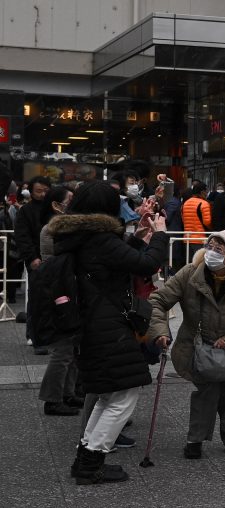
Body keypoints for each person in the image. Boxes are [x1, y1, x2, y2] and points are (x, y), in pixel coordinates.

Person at [52, 180, 168, 485]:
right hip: (107, 325)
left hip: (91, 323)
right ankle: (92, 462)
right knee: (123, 395)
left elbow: (113, 264)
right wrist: (160, 235)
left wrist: (139, 239)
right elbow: (148, 264)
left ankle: (85, 457)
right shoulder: (101, 238)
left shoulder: (79, 235)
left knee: (108, 393)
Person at [149, 229, 225, 459]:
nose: (211, 252)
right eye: (210, 246)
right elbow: (159, 301)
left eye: (219, 249)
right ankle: (195, 439)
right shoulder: (191, 273)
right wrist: (160, 331)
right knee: (206, 392)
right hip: (197, 344)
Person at [37, 186, 82, 416]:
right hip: (59, 292)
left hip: (66, 290)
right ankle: (52, 399)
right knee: (63, 350)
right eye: (70, 200)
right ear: (56, 205)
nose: (73, 205)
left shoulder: (65, 228)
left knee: (71, 348)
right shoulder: (52, 229)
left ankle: (67, 393)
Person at [14, 175, 51, 354]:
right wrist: (32, 257)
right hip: (36, 260)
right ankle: (37, 338)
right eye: (38, 191)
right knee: (37, 299)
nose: (43, 194)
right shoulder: (26, 210)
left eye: (46, 191)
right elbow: (22, 236)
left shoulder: (54, 208)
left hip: (54, 260)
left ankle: (47, 334)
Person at [182, 181, 213, 262]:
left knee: (190, 264)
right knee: (200, 264)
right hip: (200, 239)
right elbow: (207, 222)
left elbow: (183, 220)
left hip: (187, 239)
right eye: (206, 191)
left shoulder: (185, 203)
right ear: (202, 192)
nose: (207, 193)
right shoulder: (204, 203)